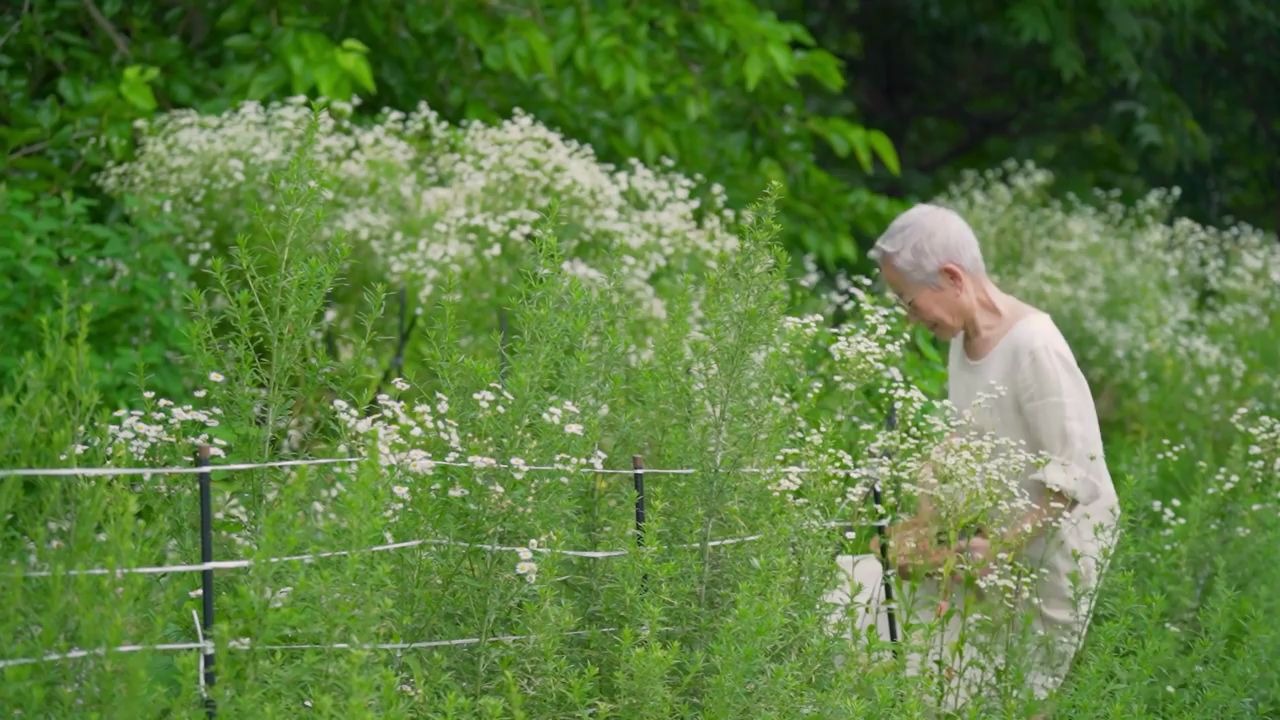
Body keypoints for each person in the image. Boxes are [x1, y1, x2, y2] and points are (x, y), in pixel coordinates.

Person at [866, 203, 1122, 712]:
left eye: (910, 301)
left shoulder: (1035, 347)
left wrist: (1000, 546)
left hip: (1056, 554)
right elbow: (968, 439)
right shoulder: (963, 341)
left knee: (1021, 697)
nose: (909, 316)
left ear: (951, 277)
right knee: (959, 681)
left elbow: (1071, 479)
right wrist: (925, 516)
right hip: (1002, 550)